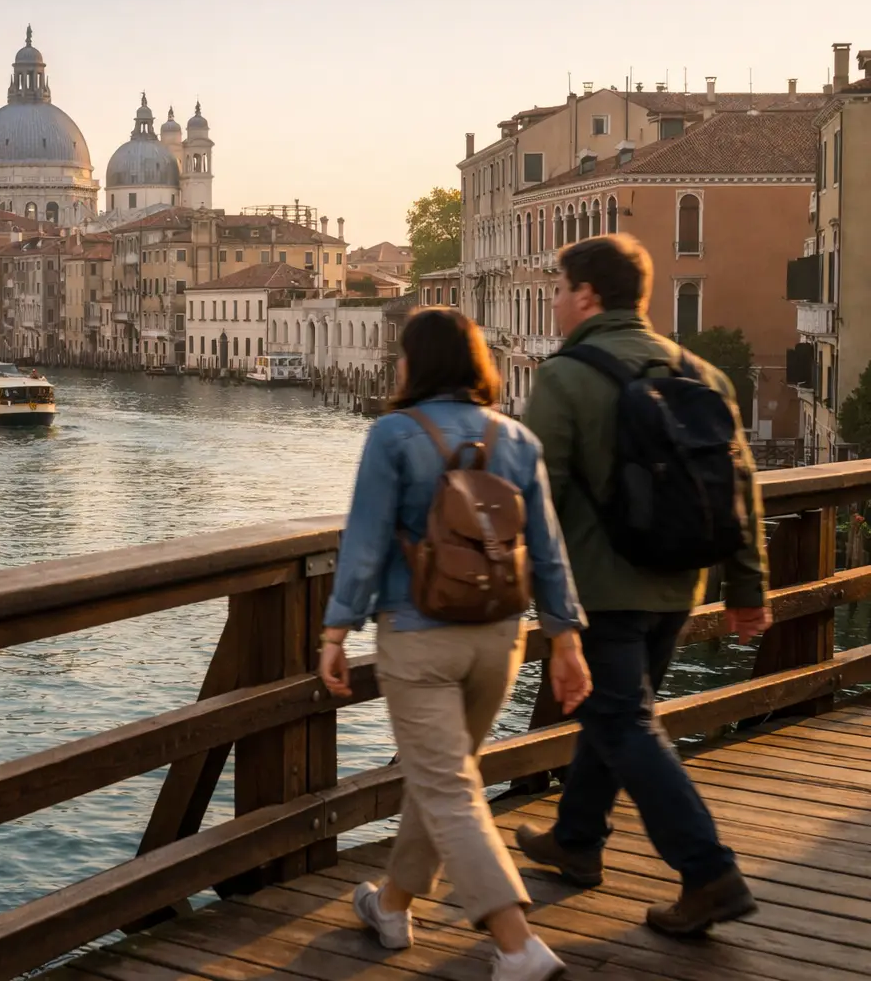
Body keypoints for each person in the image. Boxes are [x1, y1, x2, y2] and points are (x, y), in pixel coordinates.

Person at [320, 307, 591, 981]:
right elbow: (548, 551)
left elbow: (365, 539)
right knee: (446, 781)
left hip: (418, 637)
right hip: (499, 638)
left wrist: (336, 628)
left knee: (446, 787)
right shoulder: (518, 440)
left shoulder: (392, 435)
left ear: (417, 364)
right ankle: (391, 905)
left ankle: (517, 943)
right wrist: (564, 639)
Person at [516, 234, 770, 937]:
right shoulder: (702, 374)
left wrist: (524, 596)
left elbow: (536, 497)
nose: (556, 302)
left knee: (625, 723)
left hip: (600, 589)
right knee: (616, 716)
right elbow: (738, 488)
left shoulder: (564, 378)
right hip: (678, 583)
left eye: (559, 289)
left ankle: (708, 871)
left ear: (588, 296)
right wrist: (748, 587)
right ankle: (577, 839)